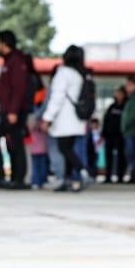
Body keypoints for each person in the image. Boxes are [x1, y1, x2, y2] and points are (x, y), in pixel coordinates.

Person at [40, 45, 89, 192]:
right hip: (76, 119)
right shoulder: (79, 74)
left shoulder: (63, 74)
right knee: (67, 149)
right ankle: (67, 180)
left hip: (64, 119)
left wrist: (48, 118)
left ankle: (82, 172)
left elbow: (57, 98)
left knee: (65, 149)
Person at [0, 29, 32, 189]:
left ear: (4, 43)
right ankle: (3, 177)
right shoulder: (7, 61)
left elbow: (19, 88)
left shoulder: (17, 60)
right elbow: (8, 86)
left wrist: (13, 111)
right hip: (4, 109)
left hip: (13, 111)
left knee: (16, 144)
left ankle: (19, 179)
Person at [102, 88, 126, 182]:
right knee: (108, 156)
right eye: (117, 93)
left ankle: (120, 177)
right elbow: (106, 120)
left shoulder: (126, 106)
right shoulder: (111, 107)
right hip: (109, 135)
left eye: (120, 93)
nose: (118, 95)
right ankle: (108, 176)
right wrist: (103, 134)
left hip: (121, 135)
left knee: (121, 157)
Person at [27, 108, 51, 188]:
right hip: (43, 148)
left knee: (35, 166)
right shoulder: (45, 120)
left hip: (34, 148)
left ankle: (35, 182)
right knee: (42, 166)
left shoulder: (33, 119)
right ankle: (42, 181)